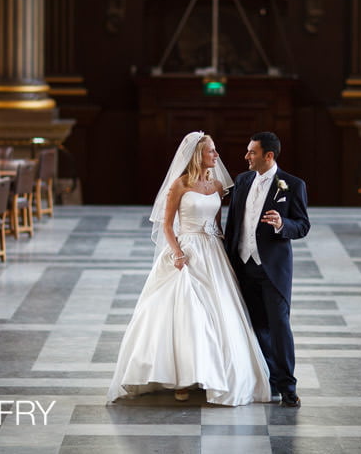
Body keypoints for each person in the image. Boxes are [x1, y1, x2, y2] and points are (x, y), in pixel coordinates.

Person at [107, 132, 271, 406]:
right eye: (211, 151)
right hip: (187, 251)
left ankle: (214, 374)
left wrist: (226, 256)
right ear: (198, 154)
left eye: (215, 150)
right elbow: (167, 225)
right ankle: (182, 377)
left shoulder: (218, 185)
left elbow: (217, 224)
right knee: (187, 313)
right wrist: (178, 252)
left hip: (213, 252)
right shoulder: (180, 185)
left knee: (219, 313)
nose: (216, 155)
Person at [224, 131, 310, 408]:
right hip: (243, 265)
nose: (246, 156)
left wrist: (282, 225)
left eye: (252, 152)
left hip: (272, 269)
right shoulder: (242, 180)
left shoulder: (292, 185)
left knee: (279, 326)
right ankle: (266, 380)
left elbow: (303, 225)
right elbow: (234, 224)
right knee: (256, 326)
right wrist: (228, 261)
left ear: (268, 156)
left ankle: (287, 387)